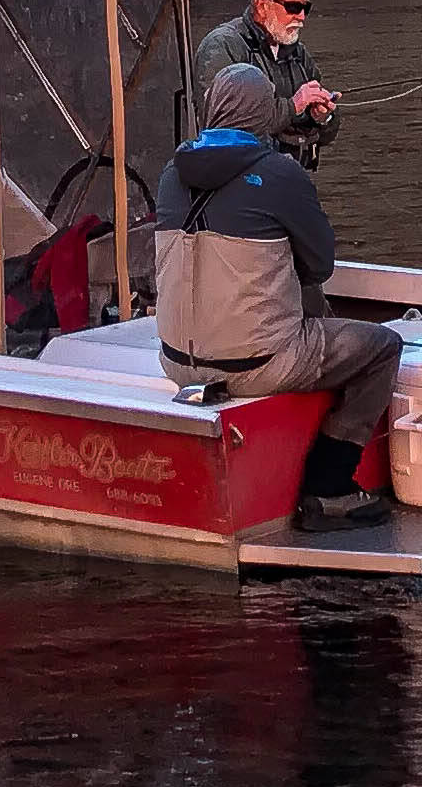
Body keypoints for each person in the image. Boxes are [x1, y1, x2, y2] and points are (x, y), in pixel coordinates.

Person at [153, 63, 398, 533]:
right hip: (259, 364)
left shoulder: (170, 174)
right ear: (265, 113)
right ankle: (330, 486)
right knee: (381, 348)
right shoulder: (280, 174)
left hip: (176, 363)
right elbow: (320, 266)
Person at [194, 0, 340, 162]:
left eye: (305, 8)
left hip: (291, 178)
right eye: (293, 7)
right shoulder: (221, 46)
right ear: (262, 5)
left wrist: (324, 118)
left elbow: (327, 134)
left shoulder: (299, 54)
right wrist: (293, 107)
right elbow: (222, 127)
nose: (301, 17)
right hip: (240, 180)